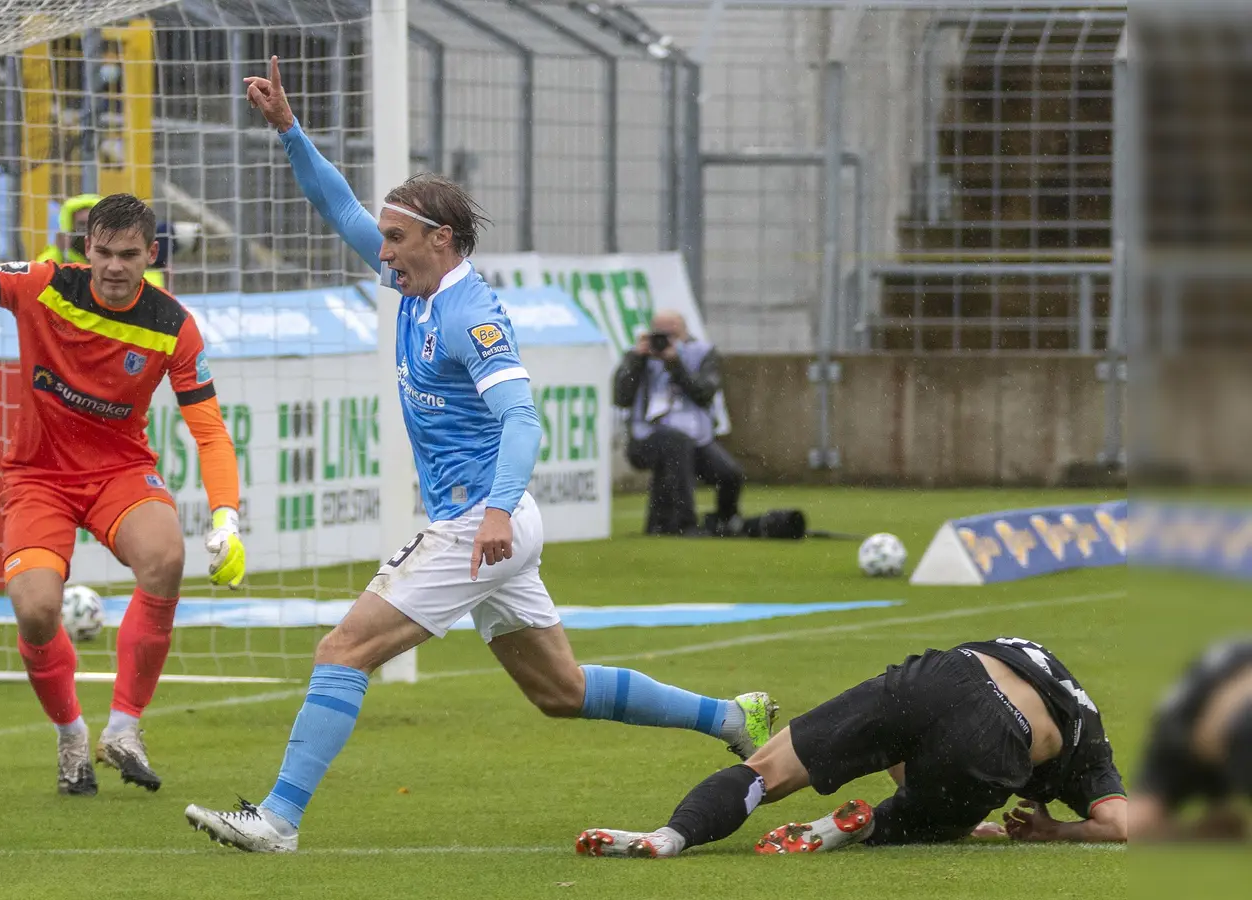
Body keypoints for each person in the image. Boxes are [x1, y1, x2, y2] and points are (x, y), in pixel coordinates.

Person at [181, 56, 778, 854]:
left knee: (343, 649)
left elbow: (523, 418)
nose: (382, 251)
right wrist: (289, 130)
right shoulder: (413, 283)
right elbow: (338, 206)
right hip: (491, 523)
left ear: (442, 239)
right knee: (560, 690)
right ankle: (733, 717)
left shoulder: (471, 315)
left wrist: (494, 512)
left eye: (396, 239)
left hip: (478, 523)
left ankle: (278, 819)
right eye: (385, 240)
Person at [0, 192, 247, 796]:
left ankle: (124, 729)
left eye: (129, 255)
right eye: (104, 252)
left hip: (119, 471)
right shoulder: (44, 286)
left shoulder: (173, 325)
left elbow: (210, 431)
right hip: (39, 476)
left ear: (151, 254)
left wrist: (226, 517)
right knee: (37, 609)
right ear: (86, 248)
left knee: (166, 557)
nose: (114, 266)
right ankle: (71, 737)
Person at [576, 636, 1127, 858]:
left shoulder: (1035, 659)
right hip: (998, 736)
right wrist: (1054, 831)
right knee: (930, 821)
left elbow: (920, 738)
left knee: (766, 769)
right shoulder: (1091, 747)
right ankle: (862, 826)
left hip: (942, 673)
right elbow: (1122, 823)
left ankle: (670, 836)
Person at [614, 312, 744, 537]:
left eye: (671, 335)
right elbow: (621, 398)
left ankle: (725, 521)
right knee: (675, 444)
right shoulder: (638, 356)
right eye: (660, 335)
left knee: (730, 474)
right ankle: (684, 523)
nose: (665, 341)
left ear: (685, 333)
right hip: (647, 436)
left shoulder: (702, 353)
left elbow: (704, 393)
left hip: (694, 435)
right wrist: (636, 360)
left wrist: (676, 365)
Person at [1129, 637, 1252, 842]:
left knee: (1138, 822)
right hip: (1202, 727)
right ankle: (1208, 826)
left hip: (1185, 722)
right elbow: (1209, 734)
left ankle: (1208, 826)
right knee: (1137, 823)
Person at [38, 192, 165, 288]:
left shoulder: (134, 259)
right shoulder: (55, 259)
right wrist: (61, 252)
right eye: (81, 224)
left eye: (92, 224)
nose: (86, 230)